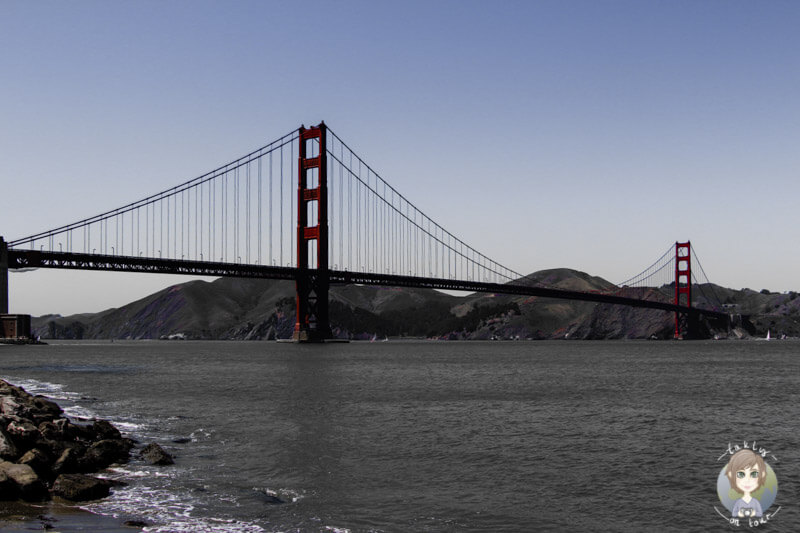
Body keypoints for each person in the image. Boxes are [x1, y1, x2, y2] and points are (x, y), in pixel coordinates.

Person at [725, 449, 767, 518]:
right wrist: (739, 513)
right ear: (731, 475)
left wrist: (754, 513)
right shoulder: (738, 503)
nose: (747, 480)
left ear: (762, 475)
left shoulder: (755, 502)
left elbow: (760, 513)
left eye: (754, 474)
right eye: (741, 474)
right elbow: (734, 514)